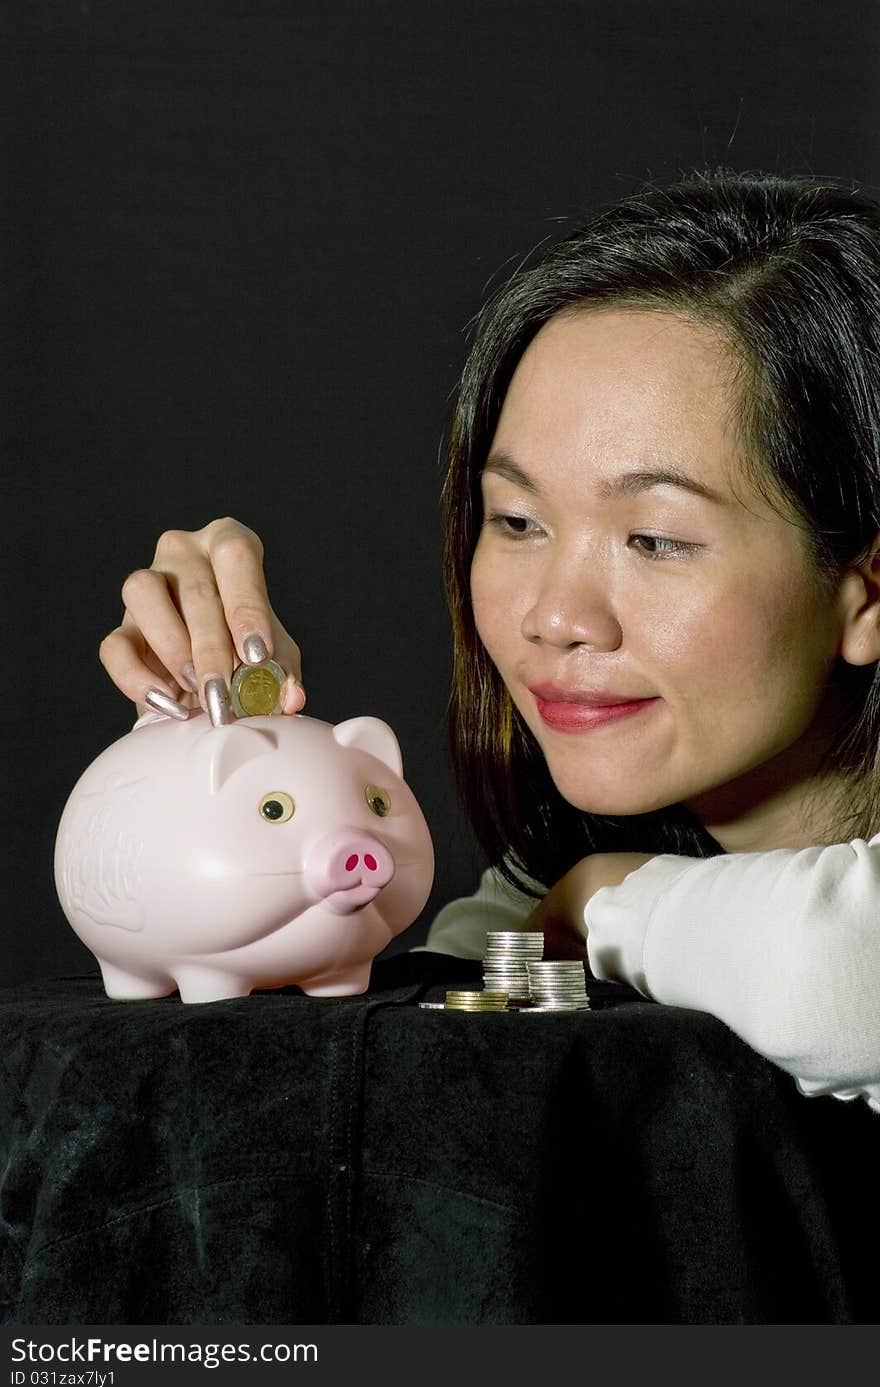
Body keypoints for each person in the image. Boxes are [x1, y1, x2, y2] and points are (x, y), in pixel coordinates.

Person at [99, 165, 880, 1114]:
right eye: (516, 521)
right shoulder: (569, 857)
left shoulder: (608, 894)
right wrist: (237, 758)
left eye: (656, 538)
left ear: (866, 592)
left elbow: (839, 976)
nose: (555, 616)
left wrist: (604, 898)